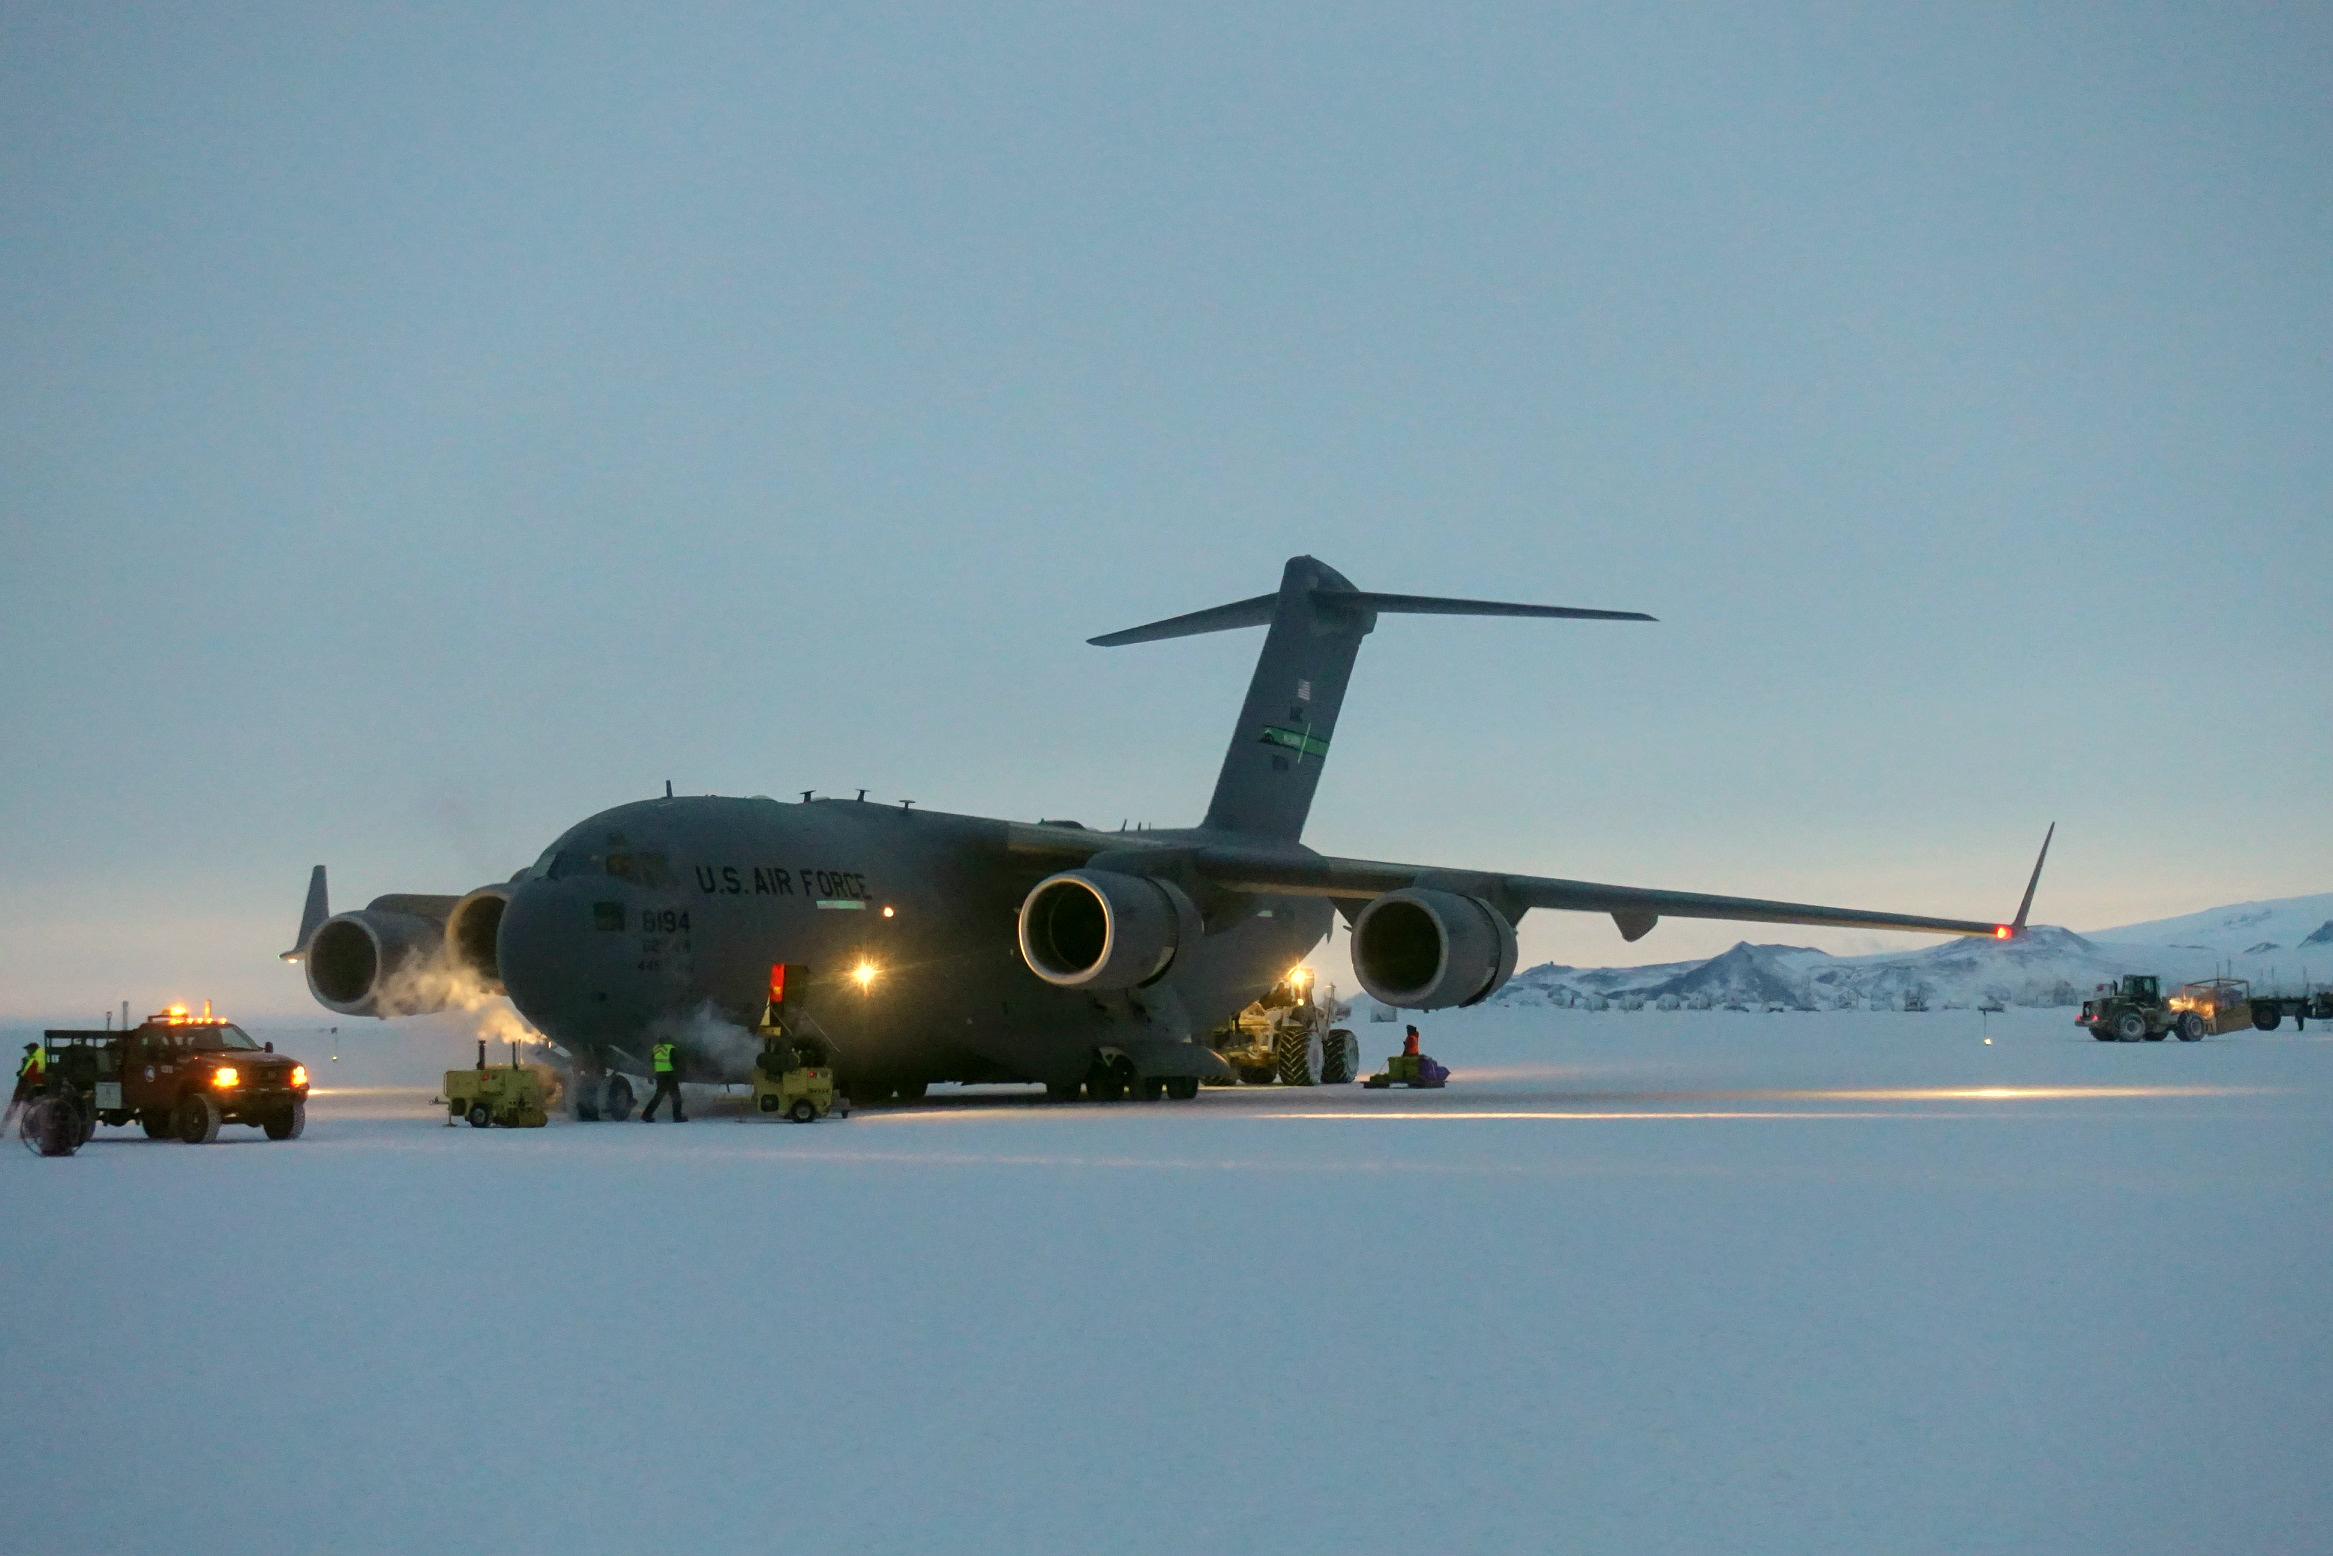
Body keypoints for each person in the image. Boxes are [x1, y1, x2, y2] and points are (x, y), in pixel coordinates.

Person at [640, 1039, 686, 1122]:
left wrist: (650, 1075)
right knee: (676, 1096)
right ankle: (677, 1117)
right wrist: (679, 1075)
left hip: (660, 1075)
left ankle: (646, 1115)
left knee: (658, 1096)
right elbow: (674, 1063)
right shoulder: (670, 1048)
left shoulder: (656, 1049)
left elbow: (652, 1063)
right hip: (669, 1075)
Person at [6, 1040, 47, 1126]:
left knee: (21, 1107)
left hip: (27, 1086)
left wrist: (21, 1073)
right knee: (23, 1107)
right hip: (28, 1086)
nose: (27, 1051)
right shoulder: (37, 1059)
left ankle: (5, 1128)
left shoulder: (33, 1059)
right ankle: (26, 1129)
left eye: (28, 1049)